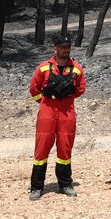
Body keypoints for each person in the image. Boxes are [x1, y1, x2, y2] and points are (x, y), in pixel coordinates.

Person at [28, 34, 87, 201]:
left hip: (67, 111)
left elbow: (81, 88)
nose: (66, 50)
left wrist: (66, 98)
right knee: (42, 148)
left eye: (68, 47)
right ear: (55, 48)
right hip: (47, 110)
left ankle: (65, 184)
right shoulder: (43, 68)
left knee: (65, 147)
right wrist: (44, 102)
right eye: (62, 47)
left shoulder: (76, 68)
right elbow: (34, 89)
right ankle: (36, 187)